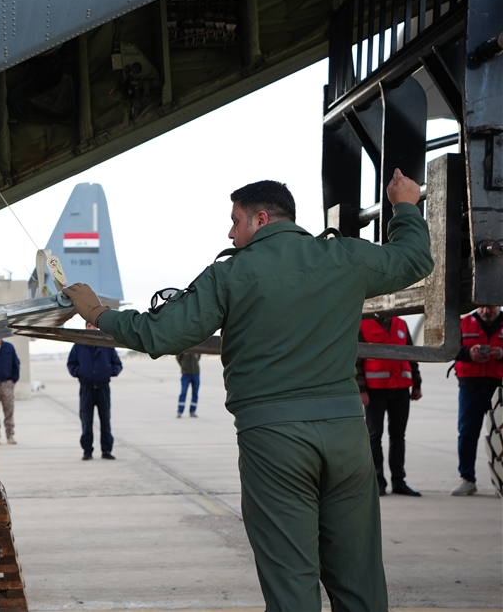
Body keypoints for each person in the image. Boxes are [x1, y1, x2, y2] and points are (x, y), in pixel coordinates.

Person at [63, 171, 432, 611]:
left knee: (291, 578)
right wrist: (405, 206)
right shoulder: (345, 257)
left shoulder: (231, 275)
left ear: (259, 219)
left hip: (275, 440)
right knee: (359, 577)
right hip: (347, 437)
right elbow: (414, 260)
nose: (230, 232)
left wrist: (99, 313)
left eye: (235, 221)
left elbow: (159, 335)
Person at [356, 315, 423, 496]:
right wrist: (361, 388)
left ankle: (398, 481)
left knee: (398, 436)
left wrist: (416, 384)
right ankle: (377, 482)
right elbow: (356, 359)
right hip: (375, 391)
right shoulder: (363, 324)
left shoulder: (400, 324)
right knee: (374, 436)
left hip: (400, 388)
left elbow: (411, 355)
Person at [449, 305, 503, 496]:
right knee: (467, 433)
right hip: (470, 387)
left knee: (501, 436)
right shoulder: (464, 323)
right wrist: (468, 354)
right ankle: (467, 479)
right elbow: (450, 349)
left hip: (499, 388)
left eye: (491, 306)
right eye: (483, 307)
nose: (487, 310)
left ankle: (500, 482)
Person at [67, 323, 123, 460]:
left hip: (103, 388)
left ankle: (107, 450)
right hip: (86, 388)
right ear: (86, 328)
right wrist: (80, 373)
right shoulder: (78, 345)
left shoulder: (106, 345)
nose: (92, 329)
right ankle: (87, 450)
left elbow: (118, 364)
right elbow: (71, 364)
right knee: (86, 420)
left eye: (94, 326)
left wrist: (108, 372)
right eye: (89, 326)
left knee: (105, 420)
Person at [175, 351, 201, 418]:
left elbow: (199, 356)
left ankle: (193, 411)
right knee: (183, 392)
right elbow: (178, 357)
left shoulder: (197, 347)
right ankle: (180, 411)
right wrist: (183, 367)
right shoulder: (184, 348)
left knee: (195, 393)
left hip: (196, 373)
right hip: (186, 373)